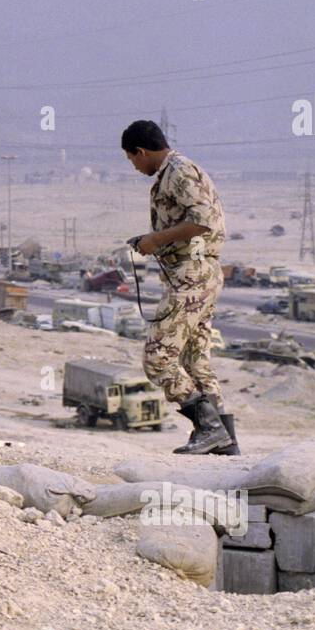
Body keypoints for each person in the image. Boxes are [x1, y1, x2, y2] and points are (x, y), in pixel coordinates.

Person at [122, 120, 239, 455]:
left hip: (192, 275)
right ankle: (226, 445)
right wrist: (153, 243)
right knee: (195, 361)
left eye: (132, 160)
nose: (134, 166)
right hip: (197, 272)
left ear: (141, 151)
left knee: (158, 358)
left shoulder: (178, 171)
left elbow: (203, 221)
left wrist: (156, 238)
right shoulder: (175, 171)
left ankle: (210, 429)